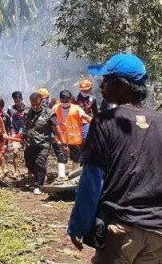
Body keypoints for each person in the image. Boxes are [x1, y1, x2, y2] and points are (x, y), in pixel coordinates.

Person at [68, 53, 162, 263]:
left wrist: (79, 225)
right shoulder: (160, 122)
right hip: (158, 232)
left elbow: (92, 182)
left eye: (106, 80)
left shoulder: (105, 123)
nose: (101, 86)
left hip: (122, 229)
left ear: (121, 84)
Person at [23, 92, 58, 195]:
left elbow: (56, 128)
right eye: (33, 104)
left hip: (43, 143)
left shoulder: (49, 113)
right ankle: (41, 176)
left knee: (40, 163)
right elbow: (25, 125)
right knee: (29, 163)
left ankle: (39, 185)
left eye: (37, 104)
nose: (35, 106)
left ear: (41, 102)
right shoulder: (27, 112)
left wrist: (59, 139)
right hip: (30, 143)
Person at [53, 90, 92, 179]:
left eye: (67, 101)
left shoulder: (77, 109)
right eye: (63, 101)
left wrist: (97, 124)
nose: (65, 103)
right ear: (60, 100)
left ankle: (75, 177)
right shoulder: (55, 108)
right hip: (60, 138)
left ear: (70, 100)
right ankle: (61, 177)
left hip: (75, 139)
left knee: (76, 159)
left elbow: (87, 117)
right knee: (61, 157)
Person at [8, 91, 28, 176]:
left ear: (22, 99)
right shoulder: (11, 109)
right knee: (15, 152)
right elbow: (8, 121)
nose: (17, 102)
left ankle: (29, 170)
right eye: (15, 101)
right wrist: (10, 132)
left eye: (18, 100)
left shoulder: (27, 109)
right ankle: (16, 170)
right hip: (15, 133)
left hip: (26, 133)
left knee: (28, 152)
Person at [0, 98, 12, 178]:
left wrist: (10, 137)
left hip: (3, 139)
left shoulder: (6, 116)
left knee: (1, 155)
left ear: (1, 107)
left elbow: (10, 127)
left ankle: (2, 171)